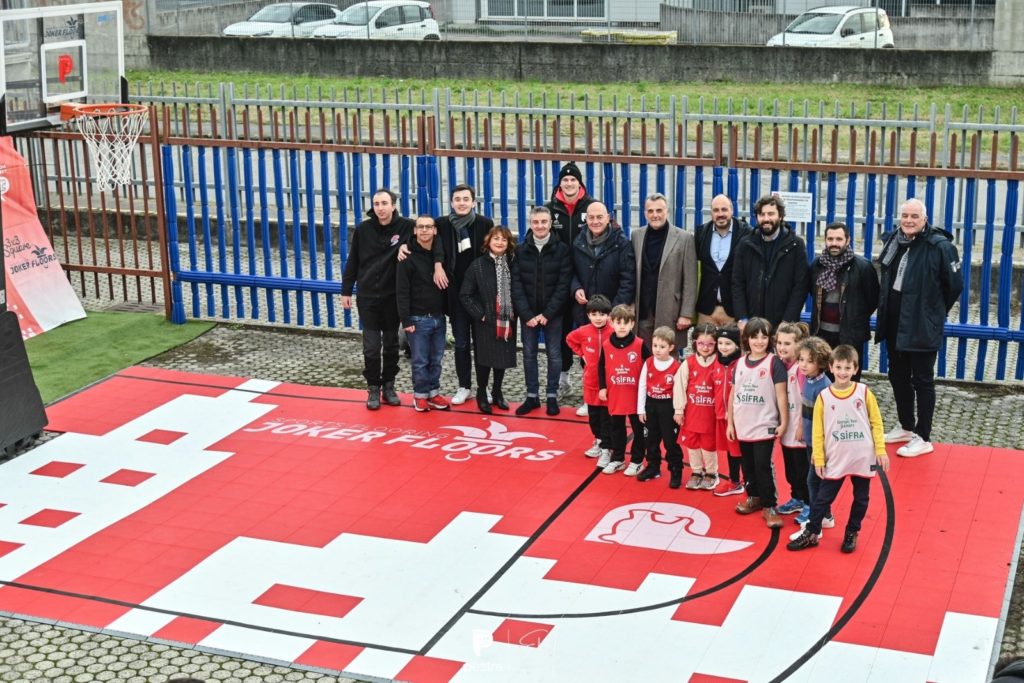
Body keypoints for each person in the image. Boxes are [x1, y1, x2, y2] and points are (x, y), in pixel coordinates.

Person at [875, 198, 963, 458]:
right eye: (905, 215)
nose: (909, 220)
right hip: (895, 323)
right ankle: (905, 426)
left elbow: (954, 286)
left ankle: (923, 437)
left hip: (922, 324)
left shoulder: (940, 246)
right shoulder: (894, 241)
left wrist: (933, 312)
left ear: (925, 219)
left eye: (914, 216)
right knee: (897, 376)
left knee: (922, 380)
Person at [787, 344, 890, 553]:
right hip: (835, 456)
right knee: (823, 497)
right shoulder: (824, 396)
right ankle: (812, 532)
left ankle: (852, 531)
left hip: (862, 456)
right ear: (831, 368)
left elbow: (876, 422)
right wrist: (818, 456)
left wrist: (880, 450)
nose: (843, 372)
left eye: (847, 368)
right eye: (839, 367)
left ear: (855, 369)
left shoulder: (864, 392)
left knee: (861, 498)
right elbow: (818, 430)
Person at [341, 189, 415, 410]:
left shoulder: (407, 226)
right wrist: (346, 290)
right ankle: (373, 388)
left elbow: (427, 237)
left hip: (392, 297)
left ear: (393, 205)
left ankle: (389, 387)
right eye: (376, 204)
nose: (380, 208)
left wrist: (408, 245)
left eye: (384, 203)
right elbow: (353, 261)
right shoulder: (363, 229)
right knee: (371, 347)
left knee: (391, 345)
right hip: (367, 296)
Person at [433, 184, 495, 406]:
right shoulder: (441, 224)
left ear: (473, 202)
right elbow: (424, 240)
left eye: (465, 199)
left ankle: (483, 388)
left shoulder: (485, 224)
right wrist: (437, 265)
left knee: (482, 344)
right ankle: (464, 386)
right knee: (461, 343)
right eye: (457, 199)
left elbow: (495, 252)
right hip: (456, 294)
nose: (461, 203)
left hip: (479, 295)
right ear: (451, 203)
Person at [511, 206, 573, 416]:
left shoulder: (562, 249)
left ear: (550, 223)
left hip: (553, 314)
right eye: (536, 222)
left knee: (554, 354)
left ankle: (552, 395)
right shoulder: (520, 250)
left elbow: (563, 286)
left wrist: (548, 314)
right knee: (529, 354)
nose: (540, 226)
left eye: (544, 222)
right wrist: (527, 314)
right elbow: (516, 285)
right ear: (530, 224)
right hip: (527, 314)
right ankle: (532, 396)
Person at [727, 317, 788, 529]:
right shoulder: (739, 363)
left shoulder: (774, 363)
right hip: (743, 425)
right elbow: (733, 394)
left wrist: (784, 421)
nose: (759, 341)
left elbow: (781, 395)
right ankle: (754, 496)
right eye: (755, 337)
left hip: (764, 425)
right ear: (747, 339)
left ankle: (770, 505)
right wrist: (730, 423)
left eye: (764, 337)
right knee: (748, 465)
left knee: (763, 466)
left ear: (770, 339)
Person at [548, 161, 596, 399]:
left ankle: (591, 383)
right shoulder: (550, 208)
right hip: (558, 282)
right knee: (561, 334)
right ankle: (563, 380)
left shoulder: (592, 207)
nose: (569, 183)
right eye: (565, 180)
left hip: (585, 283)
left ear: (580, 183)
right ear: (560, 184)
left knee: (588, 333)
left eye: (573, 180)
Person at [808, 221, 879, 381]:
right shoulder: (817, 265)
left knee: (848, 380)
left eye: (839, 239)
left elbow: (872, 300)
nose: (834, 243)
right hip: (821, 333)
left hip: (850, 335)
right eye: (830, 239)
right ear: (825, 240)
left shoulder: (863, 267)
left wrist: (853, 317)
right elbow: (813, 293)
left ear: (848, 240)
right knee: (823, 379)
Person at [459, 226, 518, 415]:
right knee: (484, 359)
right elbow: (465, 294)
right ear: (488, 241)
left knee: (502, 357)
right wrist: (481, 314)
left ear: (508, 244)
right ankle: (481, 392)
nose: (500, 242)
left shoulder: (513, 264)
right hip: (485, 322)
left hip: (506, 320)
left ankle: (497, 391)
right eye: (496, 238)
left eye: (504, 239)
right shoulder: (477, 265)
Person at [396, 215, 451, 412]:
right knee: (420, 361)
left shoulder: (439, 253)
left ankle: (433, 393)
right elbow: (402, 291)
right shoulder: (406, 257)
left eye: (428, 227)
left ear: (435, 230)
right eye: (421, 227)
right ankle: (420, 395)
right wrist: (406, 320)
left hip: (438, 318)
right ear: (415, 231)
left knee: (436, 360)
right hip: (417, 319)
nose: (425, 230)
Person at [732, 195, 809, 331]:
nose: (766, 219)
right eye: (762, 214)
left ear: (780, 216)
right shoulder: (746, 244)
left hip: (783, 325)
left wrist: (787, 320)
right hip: (751, 323)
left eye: (771, 214)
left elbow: (801, 286)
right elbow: (737, 282)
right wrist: (742, 318)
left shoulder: (796, 244)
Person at [631, 192, 698, 350]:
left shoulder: (684, 238)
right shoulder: (636, 236)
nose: (655, 215)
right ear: (645, 213)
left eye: (659, 210)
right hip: (643, 310)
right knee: (643, 353)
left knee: (669, 354)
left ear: (667, 211)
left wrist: (686, 313)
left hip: (670, 310)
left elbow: (690, 279)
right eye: (650, 211)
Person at [790, 336, 836, 537]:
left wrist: (821, 445)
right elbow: (805, 407)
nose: (803, 364)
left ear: (821, 363)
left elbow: (826, 419)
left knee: (814, 481)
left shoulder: (823, 386)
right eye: (801, 359)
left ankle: (819, 517)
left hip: (820, 443)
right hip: (810, 441)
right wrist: (802, 427)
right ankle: (824, 515)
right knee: (815, 480)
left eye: (809, 361)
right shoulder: (808, 380)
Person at [597, 304, 650, 475]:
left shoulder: (640, 344)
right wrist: (602, 387)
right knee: (616, 428)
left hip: (636, 396)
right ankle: (618, 459)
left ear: (632, 324)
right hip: (616, 394)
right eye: (618, 322)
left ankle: (637, 460)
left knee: (638, 429)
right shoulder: (606, 345)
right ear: (611, 323)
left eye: (625, 323)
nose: (622, 326)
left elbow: (651, 364)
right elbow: (601, 366)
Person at [673, 323, 721, 491]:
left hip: (711, 415)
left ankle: (712, 473)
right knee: (692, 443)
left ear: (716, 344)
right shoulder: (689, 363)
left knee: (708, 445)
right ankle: (696, 471)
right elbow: (679, 387)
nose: (705, 347)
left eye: (710, 344)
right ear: (694, 342)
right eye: (701, 343)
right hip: (692, 413)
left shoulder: (719, 364)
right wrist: (679, 410)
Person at [566, 295, 613, 463]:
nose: (598, 318)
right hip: (590, 383)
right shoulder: (583, 331)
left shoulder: (613, 331)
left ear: (608, 315)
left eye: (602, 314)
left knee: (606, 418)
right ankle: (599, 441)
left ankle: (607, 448)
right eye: (594, 314)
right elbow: (570, 339)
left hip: (608, 385)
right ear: (588, 315)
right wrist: (582, 354)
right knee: (594, 418)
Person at [694, 195, 752, 327]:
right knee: (703, 341)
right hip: (706, 311)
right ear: (711, 212)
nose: (720, 214)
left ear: (732, 210)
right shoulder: (701, 233)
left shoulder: (746, 234)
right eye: (716, 210)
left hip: (734, 312)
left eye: (724, 209)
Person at [637, 325, 684, 486]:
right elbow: (642, 386)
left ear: (671, 347)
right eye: (655, 345)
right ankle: (653, 467)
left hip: (668, 407)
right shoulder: (648, 363)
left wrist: (679, 411)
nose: (657, 349)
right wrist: (640, 409)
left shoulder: (676, 367)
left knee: (671, 442)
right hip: (651, 405)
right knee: (650, 439)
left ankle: (676, 469)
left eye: (662, 347)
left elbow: (680, 391)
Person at [775, 321, 812, 517]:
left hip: (799, 427)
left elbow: (806, 399)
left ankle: (809, 503)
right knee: (790, 469)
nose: (782, 347)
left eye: (787, 343)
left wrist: (801, 426)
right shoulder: (780, 364)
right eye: (779, 343)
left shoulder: (800, 369)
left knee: (802, 469)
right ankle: (796, 498)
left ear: (799, 344)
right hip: (786, 427)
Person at [712, 325, 745, 497]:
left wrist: (733, 412)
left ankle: (747, 482)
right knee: (730, 450)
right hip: (721, 415)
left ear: (737, 345)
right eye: (720, 343)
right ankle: (735, 481)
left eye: (728, 343)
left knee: (741, 451)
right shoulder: (716, 362)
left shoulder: (741, 364)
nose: (723, 347)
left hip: (738, 418)